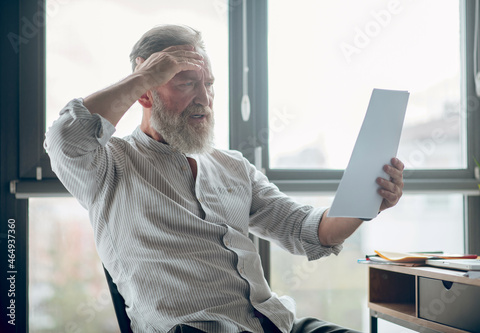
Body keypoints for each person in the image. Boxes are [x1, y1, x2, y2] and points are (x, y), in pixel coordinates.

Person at [44, 25, 404, 333]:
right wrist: (143, 76)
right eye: (186, 83)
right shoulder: (109, 165)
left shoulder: (232, 166)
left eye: (209, 85)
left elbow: (309, 231)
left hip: (272, 323)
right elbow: (65, 138)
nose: (204, 98)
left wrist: (367, 200)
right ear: (145, 93)